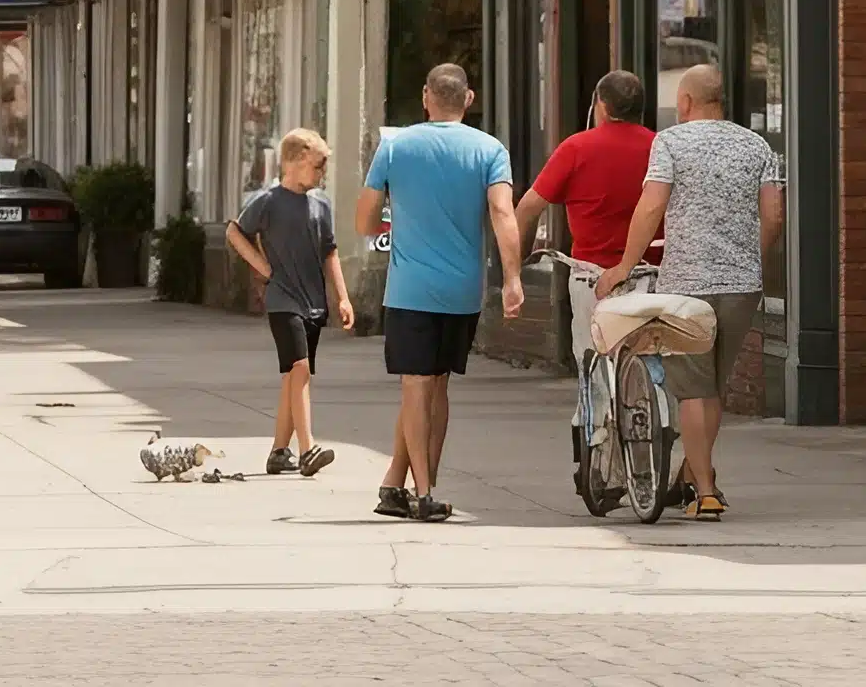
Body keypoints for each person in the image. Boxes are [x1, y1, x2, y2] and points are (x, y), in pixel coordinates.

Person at [597, 63, 783, 521]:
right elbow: (774, 215)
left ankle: (706, 491)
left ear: (685, 102)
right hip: (743, 287)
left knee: (696, 390)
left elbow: (653, 203)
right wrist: (747, 258)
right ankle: (696, 474)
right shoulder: (756, 145)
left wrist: (623, 265)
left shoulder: (671, 142)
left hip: (688, 289)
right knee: (712, 388)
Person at [354, 64, 523, 522]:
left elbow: (364, 222)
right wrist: (512, 278)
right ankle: (395, 484)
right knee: (436, 386)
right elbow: (504, 214)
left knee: (415, 386)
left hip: (410, 289)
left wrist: (398, 215)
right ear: (468, 99)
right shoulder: (490, 150)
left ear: (426, 96)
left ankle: (423, 492)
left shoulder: (396, 146)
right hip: (461, 290)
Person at [227, 127, 354, 478]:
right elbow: (234, 231)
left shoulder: (321, 203)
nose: (321, 174)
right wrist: (262, 266)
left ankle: (278, 452)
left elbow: (330, 252)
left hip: (313, 301)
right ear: (295, 161)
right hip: (283, 299)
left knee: (293, 376)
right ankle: (307, 449)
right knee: (300, 369)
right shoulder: (268, 201)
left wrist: (342, 297)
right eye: (317, 166)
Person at [513, 70, 658, 352]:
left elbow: (528, 208)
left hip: (592, 276)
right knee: (650, 355)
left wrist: (518, 262)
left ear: (601, 106)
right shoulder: (661, 147)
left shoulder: (576, 147)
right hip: (653, 273)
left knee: (594, 362)